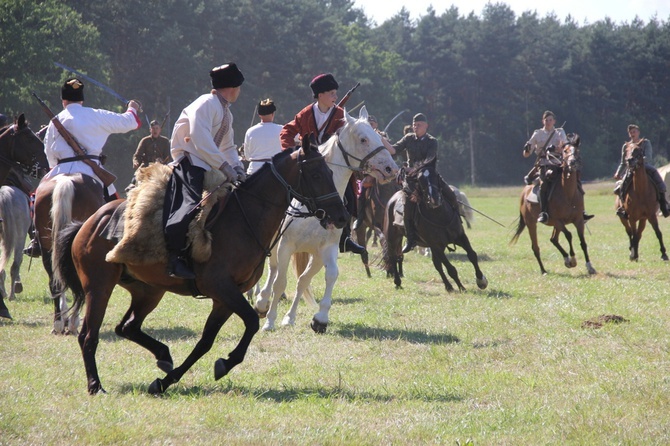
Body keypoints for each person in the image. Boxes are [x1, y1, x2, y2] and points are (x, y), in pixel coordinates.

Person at [163, 63, 246, 279]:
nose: (240, 91)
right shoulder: (206, 103)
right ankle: (174, 259)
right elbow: (200, 139)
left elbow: (227, 146)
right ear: (232, 87)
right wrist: (225, 166)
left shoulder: (225, 111)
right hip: (190, 162)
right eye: (238, 87)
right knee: (189, 206)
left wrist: (237, 166)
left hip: (208, 164)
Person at [280, 73, 367, 256]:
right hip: (310, 166)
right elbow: (287, 131)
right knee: (285, 190)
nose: (335, 97)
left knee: (350, 197)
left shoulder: (340, 114)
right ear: (320, 95)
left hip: (334, 165)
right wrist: (291, 152)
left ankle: (344, 238)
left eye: (336, 94)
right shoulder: (305, 114)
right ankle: (279, 227)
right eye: (332, 93)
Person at [392, 113, 458, 253]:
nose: (415, 127)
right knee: (408, 207)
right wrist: (380, 140)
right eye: (414, 125)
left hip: (429, 176)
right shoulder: (408, 138)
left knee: (451, 195)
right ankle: (410, 239)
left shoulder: (432, 141)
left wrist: (413, 168)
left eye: (419, 125)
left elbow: (429, 160)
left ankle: (456, 228)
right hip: (411, 181)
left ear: (426, 126)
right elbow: (394, 149)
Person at [523, 110, 593, 223]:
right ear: (543, 121)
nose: (548, 122)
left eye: (550, 120)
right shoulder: (537, 134)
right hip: (545, 164)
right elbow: (526, 154)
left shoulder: (560, 132)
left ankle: (581, 211)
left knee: (576, 181)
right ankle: (544, 212)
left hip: (559, 163)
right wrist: (526, 149)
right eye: (546, 120)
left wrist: (555, 149)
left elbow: (566, 146)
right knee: (544, 184)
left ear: (554, 121)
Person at [613, 124, 670, 218]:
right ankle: (623, 208)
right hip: (631, 169)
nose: (632, 134)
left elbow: (648, 157)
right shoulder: (626, 146)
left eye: (634, 132)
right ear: (629, 134)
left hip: (645, 167)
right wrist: (618, 173)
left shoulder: (645, 143)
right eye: (630, 132)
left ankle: (664, 206)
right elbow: (623, 162)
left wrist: (638, 161)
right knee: (622, 187)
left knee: (660, 183)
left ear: (638, 132)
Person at [243, 99, 282, 175]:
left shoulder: (250, 131)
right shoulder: (282, 129)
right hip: (275, 171)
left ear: (259, 114)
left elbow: (247, 157)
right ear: (273, 114)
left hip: (254, 171)